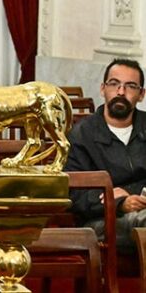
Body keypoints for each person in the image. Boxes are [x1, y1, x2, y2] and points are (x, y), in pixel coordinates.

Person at [65, 58, 146, 252]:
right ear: (103, 89)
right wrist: (117, 202)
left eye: (130, 86)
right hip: (101, 219)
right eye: (114, 84)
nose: (121, 92)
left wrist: (132, 194)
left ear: (141, 94)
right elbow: (73, 194)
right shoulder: (82, 134)